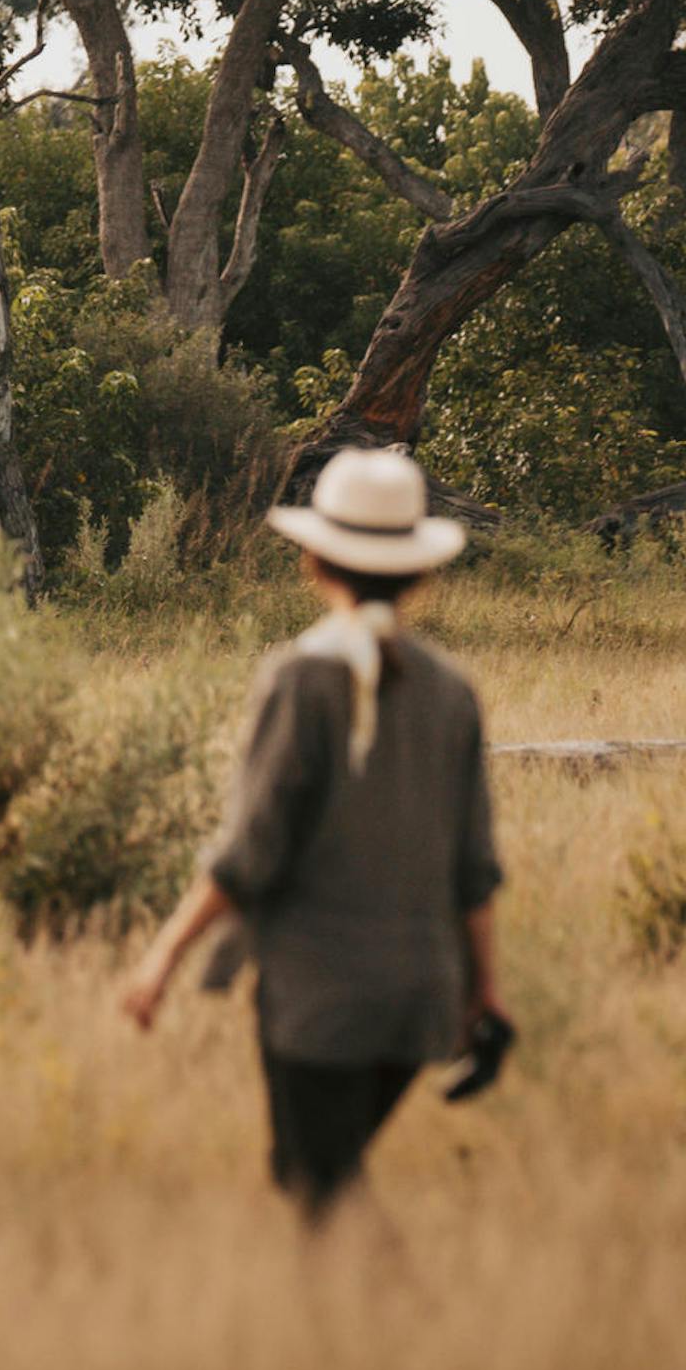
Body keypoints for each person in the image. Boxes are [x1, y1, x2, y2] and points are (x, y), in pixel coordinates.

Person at [120, 444, 508, 1222]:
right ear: (420, 571)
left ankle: (420, 1328)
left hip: (319, 998)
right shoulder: (452, 693)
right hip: (421, 1000)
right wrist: (485, 994)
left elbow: (251, 852)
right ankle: (365, 1333)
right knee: (319, 1175)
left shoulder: (299, 681)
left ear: (313, 559)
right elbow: (475, 868)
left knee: (318, 1185)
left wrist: (163, 956)